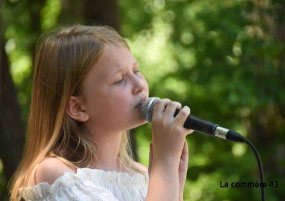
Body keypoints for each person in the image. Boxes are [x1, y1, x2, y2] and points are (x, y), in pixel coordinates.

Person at [9, 24, 193, 201]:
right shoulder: (55, 175)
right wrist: (165, 163)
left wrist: (172, 179)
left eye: (136, 71)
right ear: (78, 108)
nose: (139, 85)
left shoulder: (143, 176)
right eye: (120, 79)